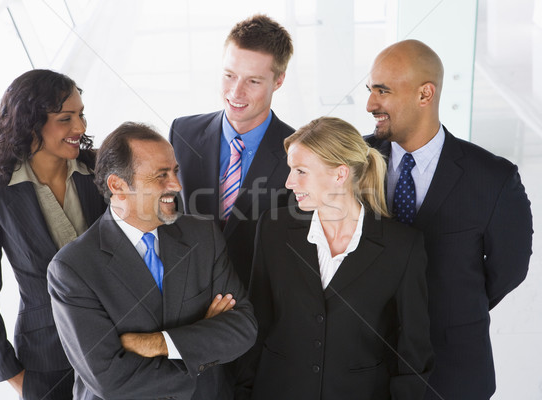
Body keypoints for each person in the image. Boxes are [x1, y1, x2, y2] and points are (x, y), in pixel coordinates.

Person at [365, 39, 533, 400]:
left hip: (452, 372)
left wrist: (453, 304)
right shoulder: (351, 162)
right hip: (364, 366)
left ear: (425, 94)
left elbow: (510, 270)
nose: (370, 104)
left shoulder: (493, 178)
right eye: (370, 90)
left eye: (383, 91)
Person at [47, 122, 257, 400]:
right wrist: (201, 344)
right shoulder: (72, 268)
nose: (177, 185)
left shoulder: (203, 235)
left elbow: (242, 328)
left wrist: (159, 342)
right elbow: (111, 380)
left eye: (175, 171)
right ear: (118, 186)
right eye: (161, 176)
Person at [236, 117, 434, 399]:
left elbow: (414, 349)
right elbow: (258, 323)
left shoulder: (402, 246)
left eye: (301, 171)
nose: (290, 182)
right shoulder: (273, 229)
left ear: (340, 175)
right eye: (291, 169)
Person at [0, 69, 106, 399]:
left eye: (81, 115)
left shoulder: (99, 172)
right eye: (65, 118)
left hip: (115, 344)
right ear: (31, 123)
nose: (80, 128)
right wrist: (13, 374)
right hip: (46, 362)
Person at [169, 14, 294, 286]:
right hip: (188, 295)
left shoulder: (298, 151)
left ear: (279, 80)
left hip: (261, 302)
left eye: (253, 81)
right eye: (229, 75)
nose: (235, 92)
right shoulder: (182, 133)